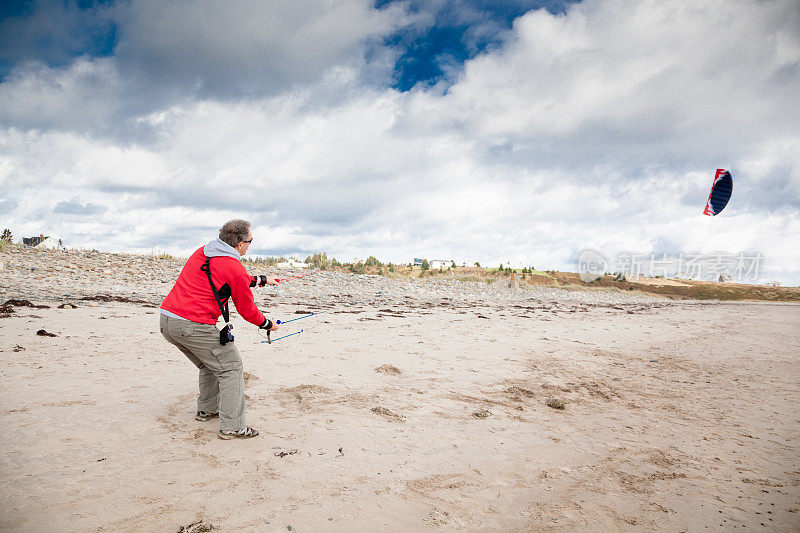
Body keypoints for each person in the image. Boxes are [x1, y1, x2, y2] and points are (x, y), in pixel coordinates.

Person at [159, 219, 279, 439]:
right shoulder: (234, 267)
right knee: (231, 368)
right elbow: (246, 309)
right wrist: (267, 324)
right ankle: (233, 426)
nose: (251, 244)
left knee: (210, 363)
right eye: (251, 241)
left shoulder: (204, 252)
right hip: (191, 325)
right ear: (240, 244)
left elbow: (227, 278)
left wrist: (261, 280)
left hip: (167, 321)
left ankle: (207, 410)